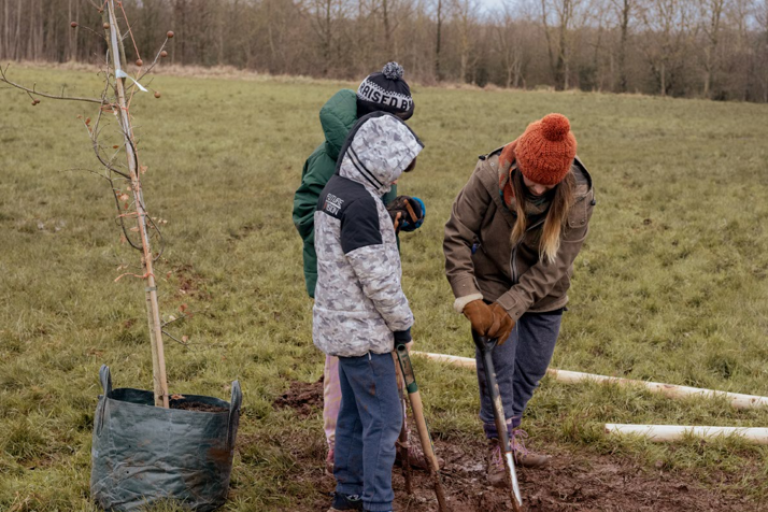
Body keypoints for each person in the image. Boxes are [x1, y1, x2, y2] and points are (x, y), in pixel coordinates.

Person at [443, 113, 595, 486]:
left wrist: (513, 305)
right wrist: (470, 300)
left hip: (544, 294)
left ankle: (514, 431)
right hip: (491, 281)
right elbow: (456, 237)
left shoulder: (577, 193)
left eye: (549, 184)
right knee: (499, 371)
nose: (539, 190)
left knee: (529, 371)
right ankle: (500, 444)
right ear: (520, 165)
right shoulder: (488, 176)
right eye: (532, 180)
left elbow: (557, 264)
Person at [292, 62, 425, 474]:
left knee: (381, 367)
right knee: (343, 372)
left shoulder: (380, 152)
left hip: (373, 279)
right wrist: (352, 236)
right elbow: (306, 213)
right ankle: (340, 446)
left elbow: (376, 205)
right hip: (340, 286)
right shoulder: (327, 158)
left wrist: (398, 213)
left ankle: (389, 444)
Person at [313, 112, 423, 512]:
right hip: (365, 334)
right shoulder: (360, 205)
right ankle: (378, 503)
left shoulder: (337, 189)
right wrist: (402, 323)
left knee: (355, 416)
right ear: (378, 158)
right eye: (395, 167)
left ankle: (349, 494)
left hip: (341, 327)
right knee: (384, 421)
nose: (397, 176)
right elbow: (376, 279)